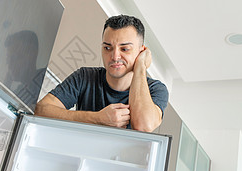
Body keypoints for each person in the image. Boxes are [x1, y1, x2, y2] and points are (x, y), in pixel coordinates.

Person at [35, 14, 168, 132]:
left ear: (141, 51)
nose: (115, 56)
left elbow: (143, 126)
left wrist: (140, 66)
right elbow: (41, 110)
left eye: (125, 49)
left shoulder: (156, 90)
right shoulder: (85, 77)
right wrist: (97, 118)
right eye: (107, 48)